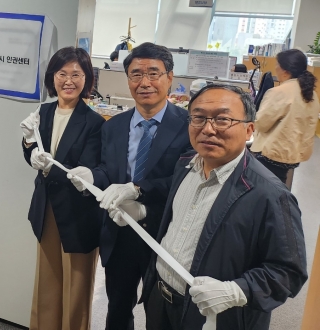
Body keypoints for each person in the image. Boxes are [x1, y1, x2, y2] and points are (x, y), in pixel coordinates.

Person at [129, 84, 307, 329]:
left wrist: (237, 290)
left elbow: (289, 272)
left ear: (249, 129)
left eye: (223, 119)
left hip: (216, 316)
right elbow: (179, 221)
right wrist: (144, 211)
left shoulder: (270, 194)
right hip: (160, 300)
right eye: (199, 118)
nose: (208, 129)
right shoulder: (185, 166)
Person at [88, 42, 191, 330]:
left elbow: (186, 179)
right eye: (136, 74)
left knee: (162, 314)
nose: (144, 83)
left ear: (169, 77)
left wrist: (138, 189)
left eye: (153, 73)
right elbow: (107, 170)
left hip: (165, 234)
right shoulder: (113, 126)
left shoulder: (189, 126)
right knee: (118, 309)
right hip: (120, 232)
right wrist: (91, 177)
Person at [20, 47, 105, 330]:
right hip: (46, 208)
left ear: (87, 78)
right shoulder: (43, 112)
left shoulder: (94, 122)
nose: (68, 81)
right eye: (62, 74)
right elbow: (35, 153)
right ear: (52, 77)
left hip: (78, 214)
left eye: (76, 75)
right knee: (47, 283)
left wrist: (48, 166)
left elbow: (87, 167)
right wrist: (28, 145)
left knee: (76, 289)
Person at [250, 49, 320, 186]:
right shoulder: (311, 93)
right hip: (294, 153)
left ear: (286, 71)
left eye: (277, 65)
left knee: (266, 187)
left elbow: (261, 124)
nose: (275, 68)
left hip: (273, 153)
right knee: (278, 184)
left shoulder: (279, 92)